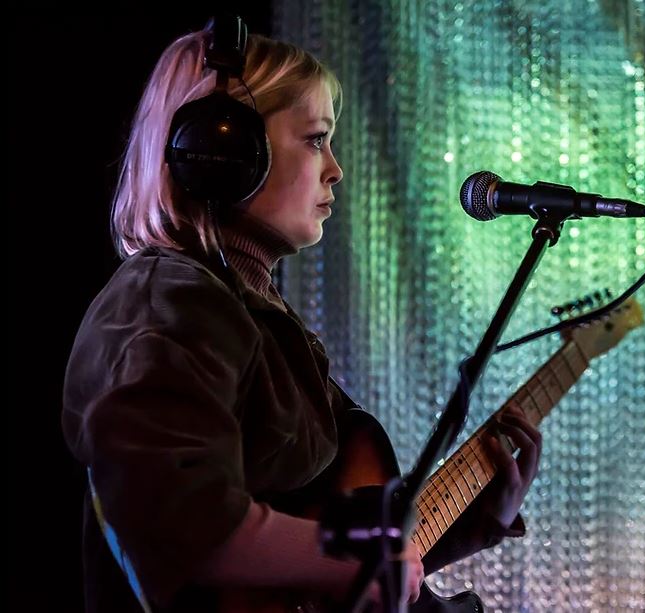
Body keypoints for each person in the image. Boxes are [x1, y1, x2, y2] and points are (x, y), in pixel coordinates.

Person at [61, 18, 542, 613]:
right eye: (316, 140)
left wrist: (481, 517)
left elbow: (325, 565)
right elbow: (177, 519)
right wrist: (344, 559)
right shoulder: (166, 302)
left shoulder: (248, 308)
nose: (334, 168)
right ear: (224, 153)